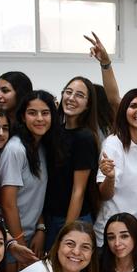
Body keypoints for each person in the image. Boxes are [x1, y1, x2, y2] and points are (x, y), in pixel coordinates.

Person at [0, 91, 56, 263]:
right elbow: (8, 204)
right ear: (23, 117)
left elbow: (36, 195)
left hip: (31, 235)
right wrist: (20, 244)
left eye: (45, 113)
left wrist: (41, 228)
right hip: (12, 240)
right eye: (32, 113)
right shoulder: (15, 149)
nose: (39, 118)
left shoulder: (41, 147)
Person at [43, 77, 100, 247]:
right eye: (68, 92)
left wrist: (66, 233)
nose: (71, 98)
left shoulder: (84, 137)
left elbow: (78, 190)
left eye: (80, 95)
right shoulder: (55, 132)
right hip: (51, 217)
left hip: (72, 219)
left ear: (88, 104)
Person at [95, 88, 137, 245]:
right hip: (114, 237)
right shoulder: (113, 143)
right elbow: (104, 194)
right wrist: (110, 177)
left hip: (136, 235)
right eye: (133, 106)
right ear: (123, 111)